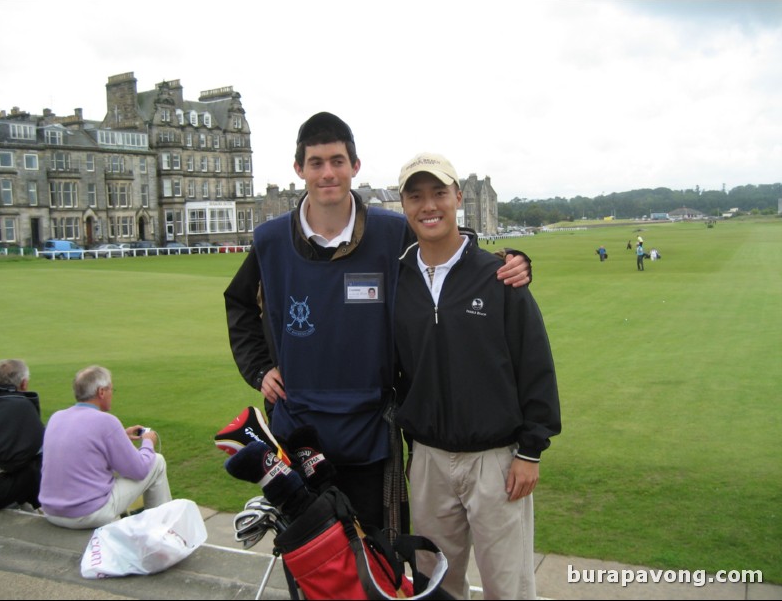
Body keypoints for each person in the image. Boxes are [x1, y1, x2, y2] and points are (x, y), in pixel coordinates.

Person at [223, 112, 532, 532]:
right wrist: (259, 368)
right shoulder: (271, 239)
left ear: (355, 166)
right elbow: (238, 303)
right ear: (299, 169)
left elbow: (448, 245)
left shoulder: (390, 233)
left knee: (379, 563)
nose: (328, 172)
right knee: (314, 561)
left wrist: (511, 260)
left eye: (337, 161)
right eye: (316, 163)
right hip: (297, 430)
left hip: (372, 429)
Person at [393, 153, 561, 600]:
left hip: (497, 462)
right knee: (435, 588)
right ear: (404, 205)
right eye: (416, 196)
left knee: (508, 587)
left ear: (458, 198)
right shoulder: (398, 280)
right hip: (428, 459)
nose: (428, 205)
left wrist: (531, 450)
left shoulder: (499, 274)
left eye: (439, 193)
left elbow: (535, 365)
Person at [39, 365, 171, 529]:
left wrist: (120, 435)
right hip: (86, 514)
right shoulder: (106, 421)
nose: (111, 394)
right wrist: (148, 442)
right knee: (156, 462)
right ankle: (163, 530)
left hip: (51, 511)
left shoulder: (57, 417)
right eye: (111, 390)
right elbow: (140, 470)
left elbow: (84, 445)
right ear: (101, 392)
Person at [0, 359, 44, 511]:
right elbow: (37, 449)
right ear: (24, 383)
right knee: (37, 462)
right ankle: (41, 507)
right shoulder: (23, 406)